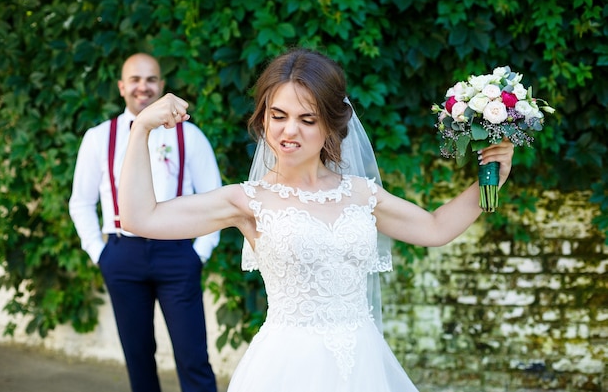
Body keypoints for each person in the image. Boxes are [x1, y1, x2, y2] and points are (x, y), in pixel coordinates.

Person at [118, 48, 515, 392]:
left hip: (363, 363)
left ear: (330, 124)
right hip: (287, 367)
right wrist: (141, 130)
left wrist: (492, 176)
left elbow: (434, 228)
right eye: (278, 116)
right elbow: (140, 218)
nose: (289, 131)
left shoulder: (361, 193)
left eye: (306, 120)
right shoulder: (247, 200)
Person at [69, 53, 221, 392]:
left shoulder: (190, 136)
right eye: (135, 80)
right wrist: (100, 254)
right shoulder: (98, 137)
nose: (143, 86)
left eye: (151, 79)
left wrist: (199, 253)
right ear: (122, 87)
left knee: (193, 356)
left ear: (162, 86)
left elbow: (215, 200)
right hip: (123, 256)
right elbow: (80, 202)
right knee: (138, 358)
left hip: (177, 256)